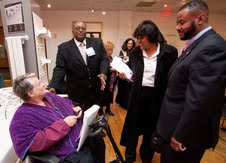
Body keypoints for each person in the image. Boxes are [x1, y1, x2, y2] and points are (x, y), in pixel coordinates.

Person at [156, 1, 226, 163]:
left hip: (184, 136)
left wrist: (181, 135)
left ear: (200, 19)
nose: (177, 27)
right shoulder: (197, 45)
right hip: (174, 126)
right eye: (177, 23)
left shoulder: (212, 47)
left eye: (182, 22)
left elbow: (201, 101)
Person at [10, 73, 106, 163]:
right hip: (63, 152)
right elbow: (33, 143)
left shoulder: (49, 96)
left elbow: (67, 103)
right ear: (31, 93)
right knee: (86, 160)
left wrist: (74, 108)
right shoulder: (21, 118)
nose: (44, 84)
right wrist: (64, 125)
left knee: (99, 142)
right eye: (39, 84)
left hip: (80, 137)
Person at [119, 20, 178, 163]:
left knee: (151, 130)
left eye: (141, 38)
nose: (138, 41)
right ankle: (129, 157)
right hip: (137, 96)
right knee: (133, 129)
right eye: (137, 38)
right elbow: (132, 75)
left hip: (157, 98)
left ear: (152, 36)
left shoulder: (169, 52)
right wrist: (125, 76)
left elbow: (172, 77)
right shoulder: (135, 53)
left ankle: (147, 157)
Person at [48, 21, 109, 112]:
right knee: (79, 115)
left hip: (96, 89)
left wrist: (103, 73)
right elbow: (60, 68)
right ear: (72, 31)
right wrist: (53, 85)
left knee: (93, 114)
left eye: (83, 28)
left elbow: (104, 59)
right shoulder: (64, 48)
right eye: (77, 28)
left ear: (86, 31)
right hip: (76, 91)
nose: (80, 30)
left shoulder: (97, 43)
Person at [115, 38, 135, 109]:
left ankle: (126, 104)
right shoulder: (122, 51)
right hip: (121, 73)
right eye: (129, 43)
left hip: (129, 73)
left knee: (128, 90)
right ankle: (121, 102)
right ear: (126, 44)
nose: (130, 45)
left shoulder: (134, 52)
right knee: (121, 88)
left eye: (131, 44)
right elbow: (119, 61)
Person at [100, 41, 117, 116]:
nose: (112, 52)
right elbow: (100, 69)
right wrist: (110, 69)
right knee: (102, 96)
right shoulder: (101, 58)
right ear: (107, 49)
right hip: (104, 80)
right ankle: (100, 110)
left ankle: (108, 109)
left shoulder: (110, 58)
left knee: (109, 95)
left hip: (111, 80)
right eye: (111, 50)